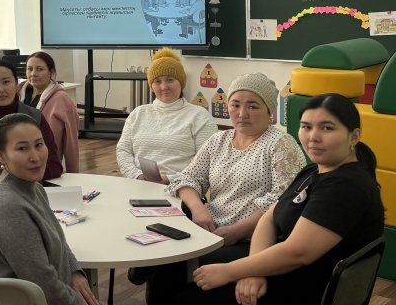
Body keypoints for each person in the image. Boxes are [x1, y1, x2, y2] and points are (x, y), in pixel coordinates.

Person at [181, 93, 384, 305]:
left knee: (182, 292)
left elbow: (298, 253)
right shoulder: (314, 170)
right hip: (276, 267)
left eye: (327, 128)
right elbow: (268, 218)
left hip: (301, 287)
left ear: (354, 137)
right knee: (182, 266)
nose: (313, 137)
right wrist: (252, 270)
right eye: (306, 127)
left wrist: (231, 271)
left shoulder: (346, 186)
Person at [142, 73, 305, 298]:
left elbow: (282, 202)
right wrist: (199, 209)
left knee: (175, 262)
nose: (242, 113)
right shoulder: (219, 140)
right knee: (165, 253)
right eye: (235, 105)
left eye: (253, 106)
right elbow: (187, 178)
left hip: (253, 240)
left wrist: (237, 232)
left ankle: (148, 271)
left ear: (270, 112)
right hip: (209, 229)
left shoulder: (281, 144)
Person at [0, 114, 99, 305]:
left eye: (39, 145)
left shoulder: (33, 187)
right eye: (22, 148)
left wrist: (74, 271)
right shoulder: (9, 205)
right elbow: (44, 286)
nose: (35, 157)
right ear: (0, 155)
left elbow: (58, 238)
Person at [116, 48, 216, 184]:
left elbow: (206, 162)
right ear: (151, 86)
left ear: (181, 82)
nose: (164, 87)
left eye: (170, 80)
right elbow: (123, 151)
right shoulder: (137, 114)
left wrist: (170, 179)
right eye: (157, 81)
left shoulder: (200, 116)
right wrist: (137, 176)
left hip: (182, 188)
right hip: (139, 185)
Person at [0, 60, 62, 185]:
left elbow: (55, 165)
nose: (0, 89)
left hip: (32, 188)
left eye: (6, 82)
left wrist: (16, 173)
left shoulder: (35, 116)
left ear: (16, 84)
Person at [18, 51, 80, 173]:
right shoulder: (17, 93)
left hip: (46, 165)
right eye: (29, 69)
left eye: (40, 69)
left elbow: (71, 143)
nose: (33, 74)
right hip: (18, 162)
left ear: (51, 72)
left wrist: (73, 174)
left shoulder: (62, 100)